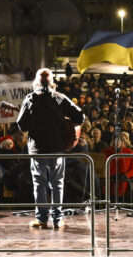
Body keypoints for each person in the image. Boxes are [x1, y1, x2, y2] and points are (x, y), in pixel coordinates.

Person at [15, 67, 84, 230]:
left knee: (39, 183)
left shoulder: (30, 99)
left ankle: (42, 219)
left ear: (36, 83)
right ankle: (57, 219)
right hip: (57, 149)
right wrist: (65, 121)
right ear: (52, 83)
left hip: (38, 149)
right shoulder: (60, 98)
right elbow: (80, 116)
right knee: (57, 184)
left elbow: (22, 125)